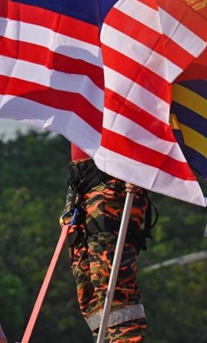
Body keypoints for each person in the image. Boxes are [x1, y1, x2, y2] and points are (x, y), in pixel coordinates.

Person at [62, 143, 150, 342]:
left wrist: (142, 170)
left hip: (116, 178)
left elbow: (157, 117)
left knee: (111, 283)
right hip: (81, 180)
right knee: (87, 285)